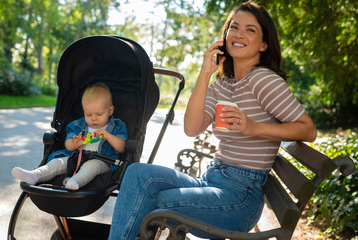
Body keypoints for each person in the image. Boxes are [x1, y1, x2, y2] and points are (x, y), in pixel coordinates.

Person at [108, 1, 317, 239]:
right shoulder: (223, 85)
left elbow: (308, 130)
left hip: (240, 197)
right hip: (212, 179)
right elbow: (191, 128)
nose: (239, 34)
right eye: (234, 27)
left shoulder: (263, 80)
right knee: (137, 174)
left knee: (162, 199)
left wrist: (253, 127)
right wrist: (205, 72)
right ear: (225, 35)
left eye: (251, 30)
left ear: (264, 44)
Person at [12, 82, 128, 190]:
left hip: (102, 161)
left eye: (99, 114)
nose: (93, 118)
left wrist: (108, 136)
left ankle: (73, 182)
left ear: (110, 110)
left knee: (91, 166)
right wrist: (74, 144)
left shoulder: (117, 126)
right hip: (76, 158)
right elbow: (68, 144)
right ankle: (34, 175)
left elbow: (121, 147)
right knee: (57, 163)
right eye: (88, 114)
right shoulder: (79, 125)